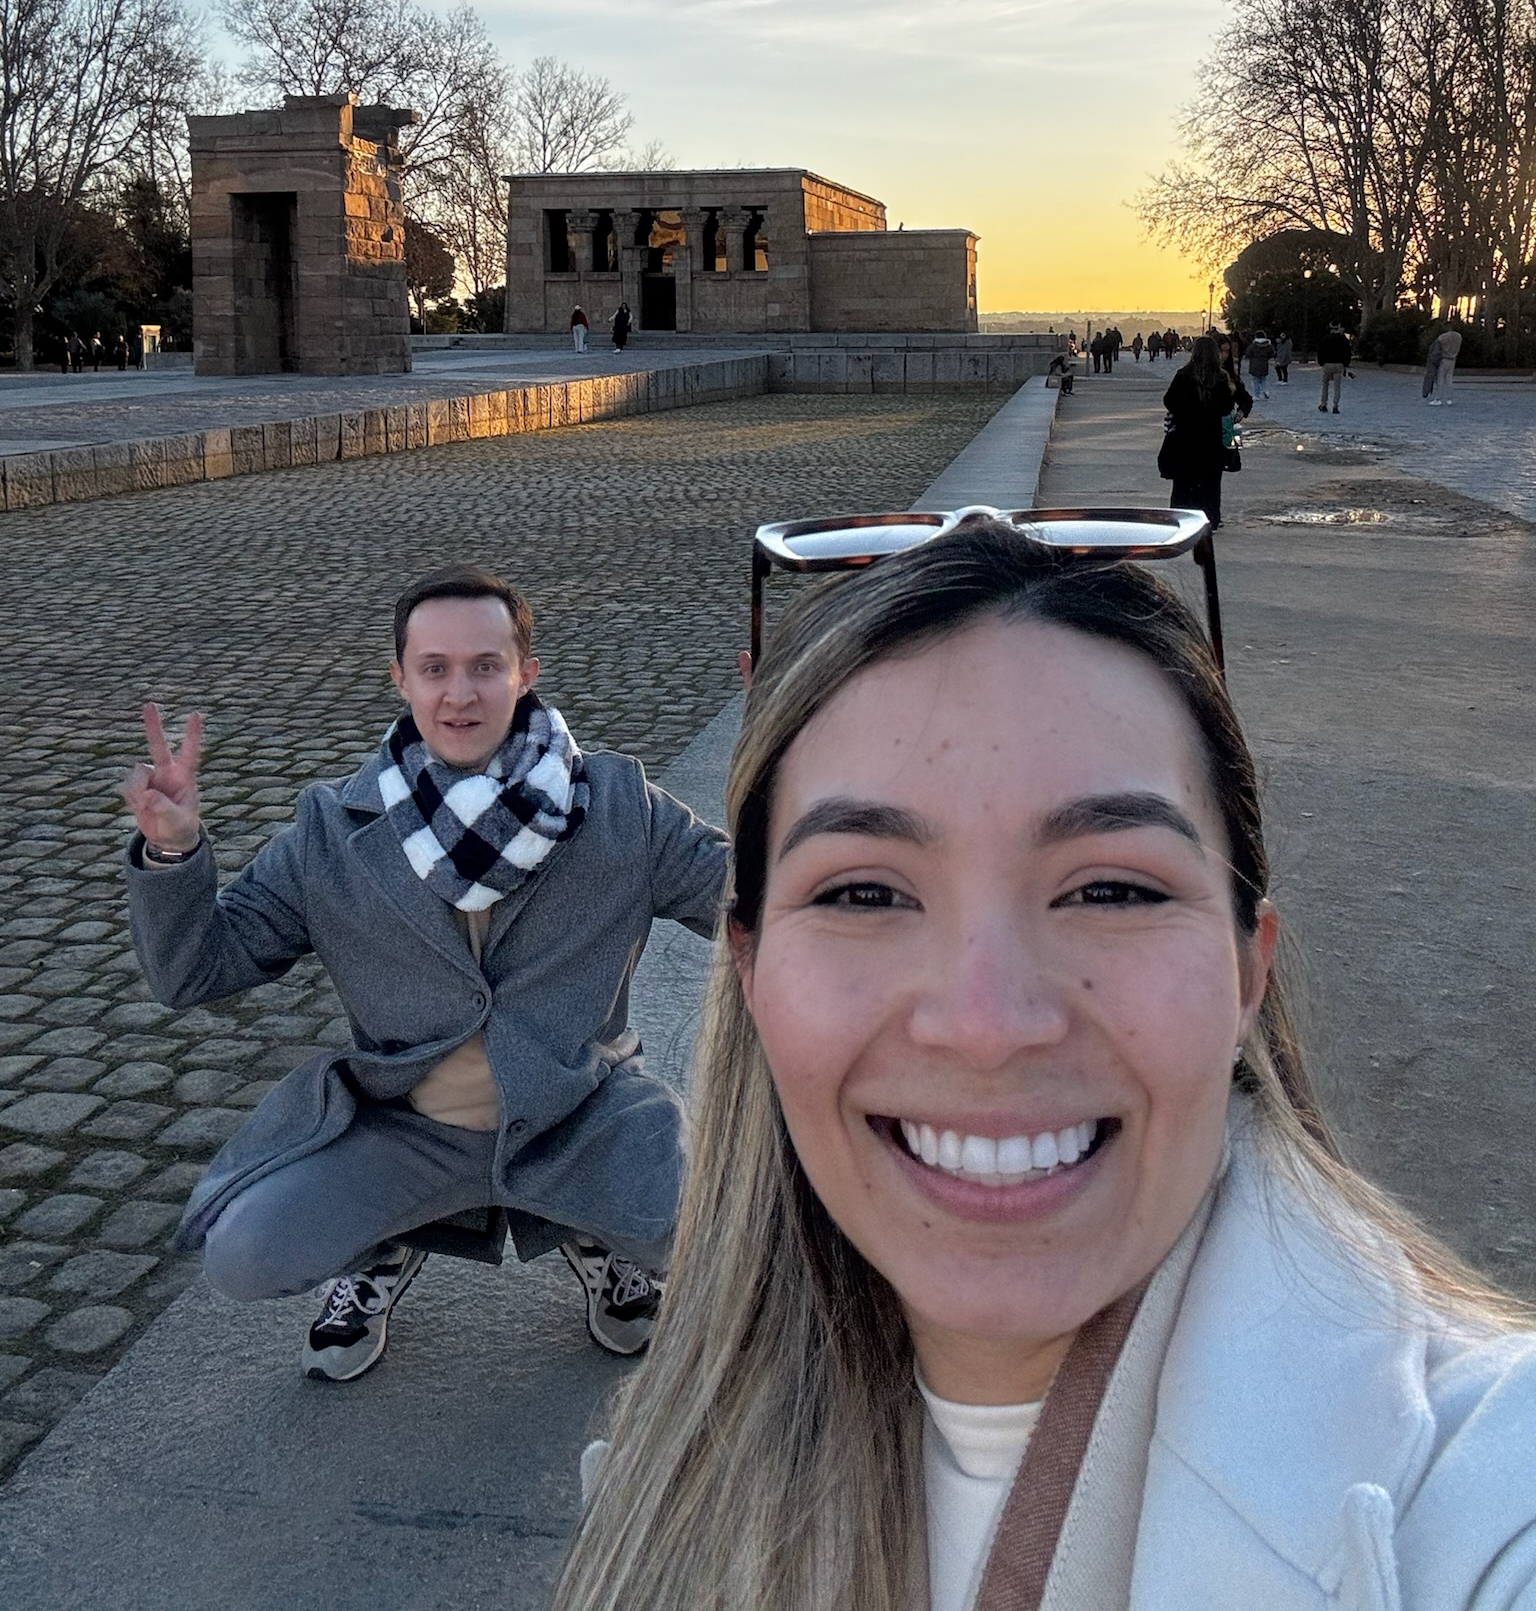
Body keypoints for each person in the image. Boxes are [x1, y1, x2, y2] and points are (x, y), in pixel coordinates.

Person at [550, 519, 1536, 1611]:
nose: (987, 1025)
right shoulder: (662, 1479)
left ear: (1246, 969)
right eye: (864, 893)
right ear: (749, 966)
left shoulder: (1479, 1498)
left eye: (1111, 889)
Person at [121, 564, 729, 1382]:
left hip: (576, 1114)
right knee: (244, 1253)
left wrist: (792, 755)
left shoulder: (620, 804)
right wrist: (173, 852)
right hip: (407, 1126)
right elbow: (197, 969)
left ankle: (597, 1229)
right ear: (400, 678)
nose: (459, 693)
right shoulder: (333, 828)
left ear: (525, 673)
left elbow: (752, 901)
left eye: (486, 665)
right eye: (435, 668)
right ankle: (389, 1236)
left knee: (722, 1234)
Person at [1158, 332, 1250, 533]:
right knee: (1211, 483)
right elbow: (1226, 407)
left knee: (1183, 483)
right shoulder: (1221, 377)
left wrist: (1185, 410)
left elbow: (1169, 401)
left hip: (1185, 436)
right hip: (1211, 437)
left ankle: (1181, 518)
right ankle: (1210, 520)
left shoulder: (1183, 375)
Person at [1318, 322, 1353, 413]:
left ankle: (1323, 404)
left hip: (1327, 364)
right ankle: (1335, 406)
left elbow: (1320, 352)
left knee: (1325, 385)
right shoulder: (1343, 340)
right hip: (1339, 364)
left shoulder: (1325, 339)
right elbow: (1348, 353)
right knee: (1337, 387)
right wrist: (1345, 364)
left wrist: (1321, 363)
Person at [1424, 327, 1463, 406]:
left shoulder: (1443, 337)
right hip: (1453, 359)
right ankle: (1449, 399)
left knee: (1440, 379)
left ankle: (1438, 398)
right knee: (1449, 379)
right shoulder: (1459, 336)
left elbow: (1436, 348)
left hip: (1444, 359)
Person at [1245, 328, 1274, 400]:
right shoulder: (1268, 345)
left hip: (1254, 364)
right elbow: (1272, 354)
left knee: (1255, 380)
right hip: (1264, 364)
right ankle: (1265, 391)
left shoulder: (1253, 346)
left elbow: (1248, 353)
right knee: (1263, 379)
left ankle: (1256, 394)